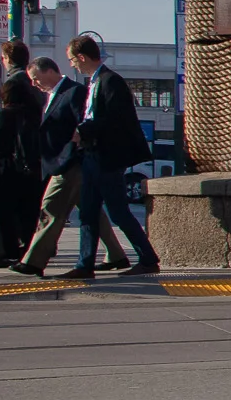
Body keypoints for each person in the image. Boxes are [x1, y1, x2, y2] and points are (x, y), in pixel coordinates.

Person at [58, 36, 159, 279]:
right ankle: (85, 264)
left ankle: (147, 258)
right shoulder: (94, 82)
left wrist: (83, 131)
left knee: (118, 211)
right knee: (88, 211)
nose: (72, 65)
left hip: (107, 157)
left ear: (82, 57)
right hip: (92, 154)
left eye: (72, 60)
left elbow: (116, 120)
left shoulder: (111, 81)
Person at [13, 57, 126, 277]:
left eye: (36, 78)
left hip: (70, 163)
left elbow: (83, 125)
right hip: (63, 161)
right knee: (90, 211)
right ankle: (116, 254)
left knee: (51, 207)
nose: (35, 84)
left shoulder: (73, 92)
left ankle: (33, 261)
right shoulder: (52, 95)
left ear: (50, 72)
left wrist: (70, 154)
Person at [0, 39, 46, 265]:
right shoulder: (35, 88)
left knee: (5, 210)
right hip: (33, 160)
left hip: (10, 165)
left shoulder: (12, 101)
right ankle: (31, 251)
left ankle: (10, 251)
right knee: (29, 212)